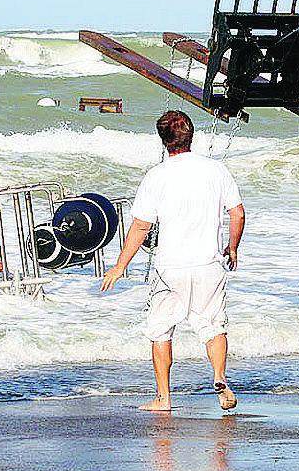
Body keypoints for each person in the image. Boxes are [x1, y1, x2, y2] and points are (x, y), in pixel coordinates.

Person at [101, 110, 245, 412]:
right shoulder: (216, 170)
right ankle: (219, 376)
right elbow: (238, 214)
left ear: (163, 140)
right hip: (208, 264)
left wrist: (120, 265)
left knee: (161, 329)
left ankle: (164, 397)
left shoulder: (156, 176)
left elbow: (141, 226)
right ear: (191, 136)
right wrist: (232, 248)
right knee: (214, 326)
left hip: (170, 268)